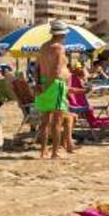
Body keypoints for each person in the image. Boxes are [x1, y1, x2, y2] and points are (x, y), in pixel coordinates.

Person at [34, 21, 72, 158]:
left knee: (44, 121)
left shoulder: (43, 47)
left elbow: (37, 68)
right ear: (61, 34)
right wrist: (49, 87)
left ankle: (43, 151)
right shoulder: (59, 48)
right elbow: (56, 71)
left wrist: (39, 85)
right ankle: (55, 152)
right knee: (57, 121)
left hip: (43, 83)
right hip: (55, 85)